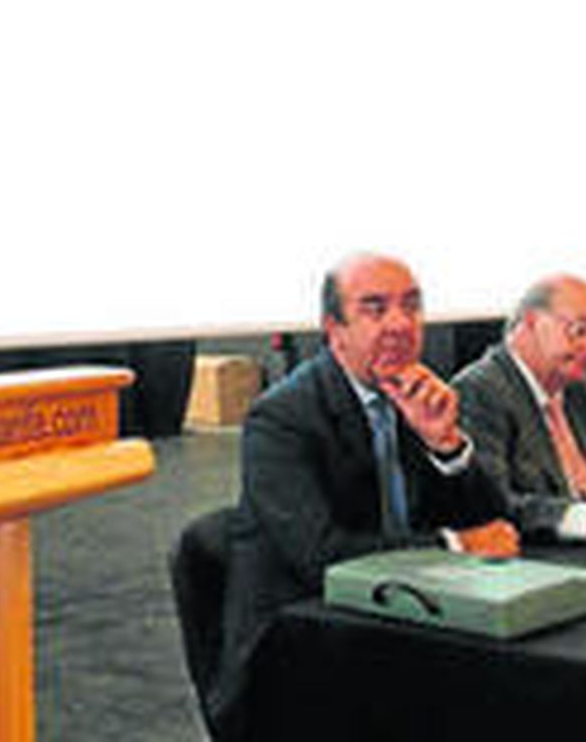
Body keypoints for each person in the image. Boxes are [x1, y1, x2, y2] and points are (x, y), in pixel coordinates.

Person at [216, 253, 515, 737]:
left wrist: (447, 446)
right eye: (375, 310)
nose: (399, 324)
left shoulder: (414, 394)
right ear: (334, 330)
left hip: (405, 621)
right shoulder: (282, 418)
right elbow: (323, 556)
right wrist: (454, 546)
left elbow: (496, 524)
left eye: (411, 307)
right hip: (298, 652)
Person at [454, 274, 586, 546]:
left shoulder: (583, 393)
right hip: (544, 562)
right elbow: (493, 504)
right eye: (579, 331)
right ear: (531, 322)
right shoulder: (481, 391)